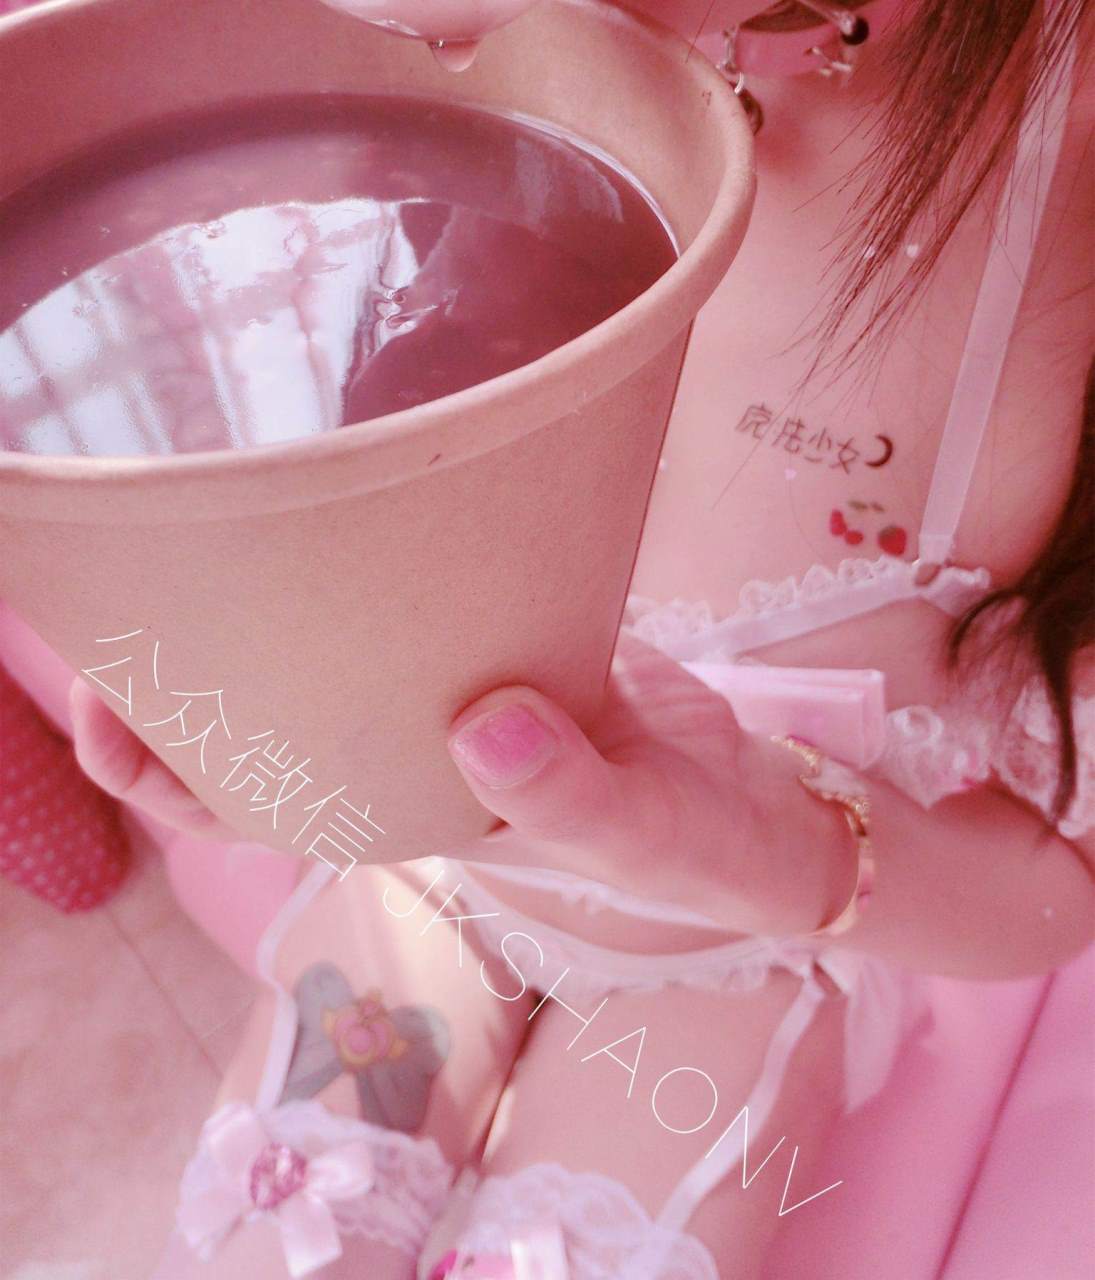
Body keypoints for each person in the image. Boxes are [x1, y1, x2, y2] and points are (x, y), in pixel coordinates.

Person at [71, 0, 1094, 1276]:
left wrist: (768, 844)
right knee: (285, 1233)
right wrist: (301, 715)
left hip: (738, 958)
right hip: (437, 864)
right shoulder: (395, 82)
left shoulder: (1059, 176)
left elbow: (1055, 888)